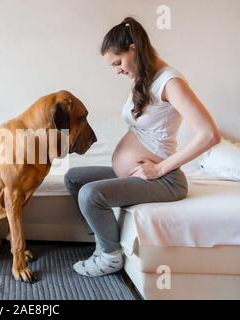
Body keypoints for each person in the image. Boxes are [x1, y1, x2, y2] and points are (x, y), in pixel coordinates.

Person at [64, 17, 221, 277]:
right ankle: (104, 241)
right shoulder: (144, 78)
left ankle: (109, 257)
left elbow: (209, 135)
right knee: (74, 178)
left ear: (133, 49)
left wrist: (159, 169)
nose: (116, 70)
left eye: (117, 62)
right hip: (135, 173)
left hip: (165, 181)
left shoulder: (170, 82)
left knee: (90, 194)